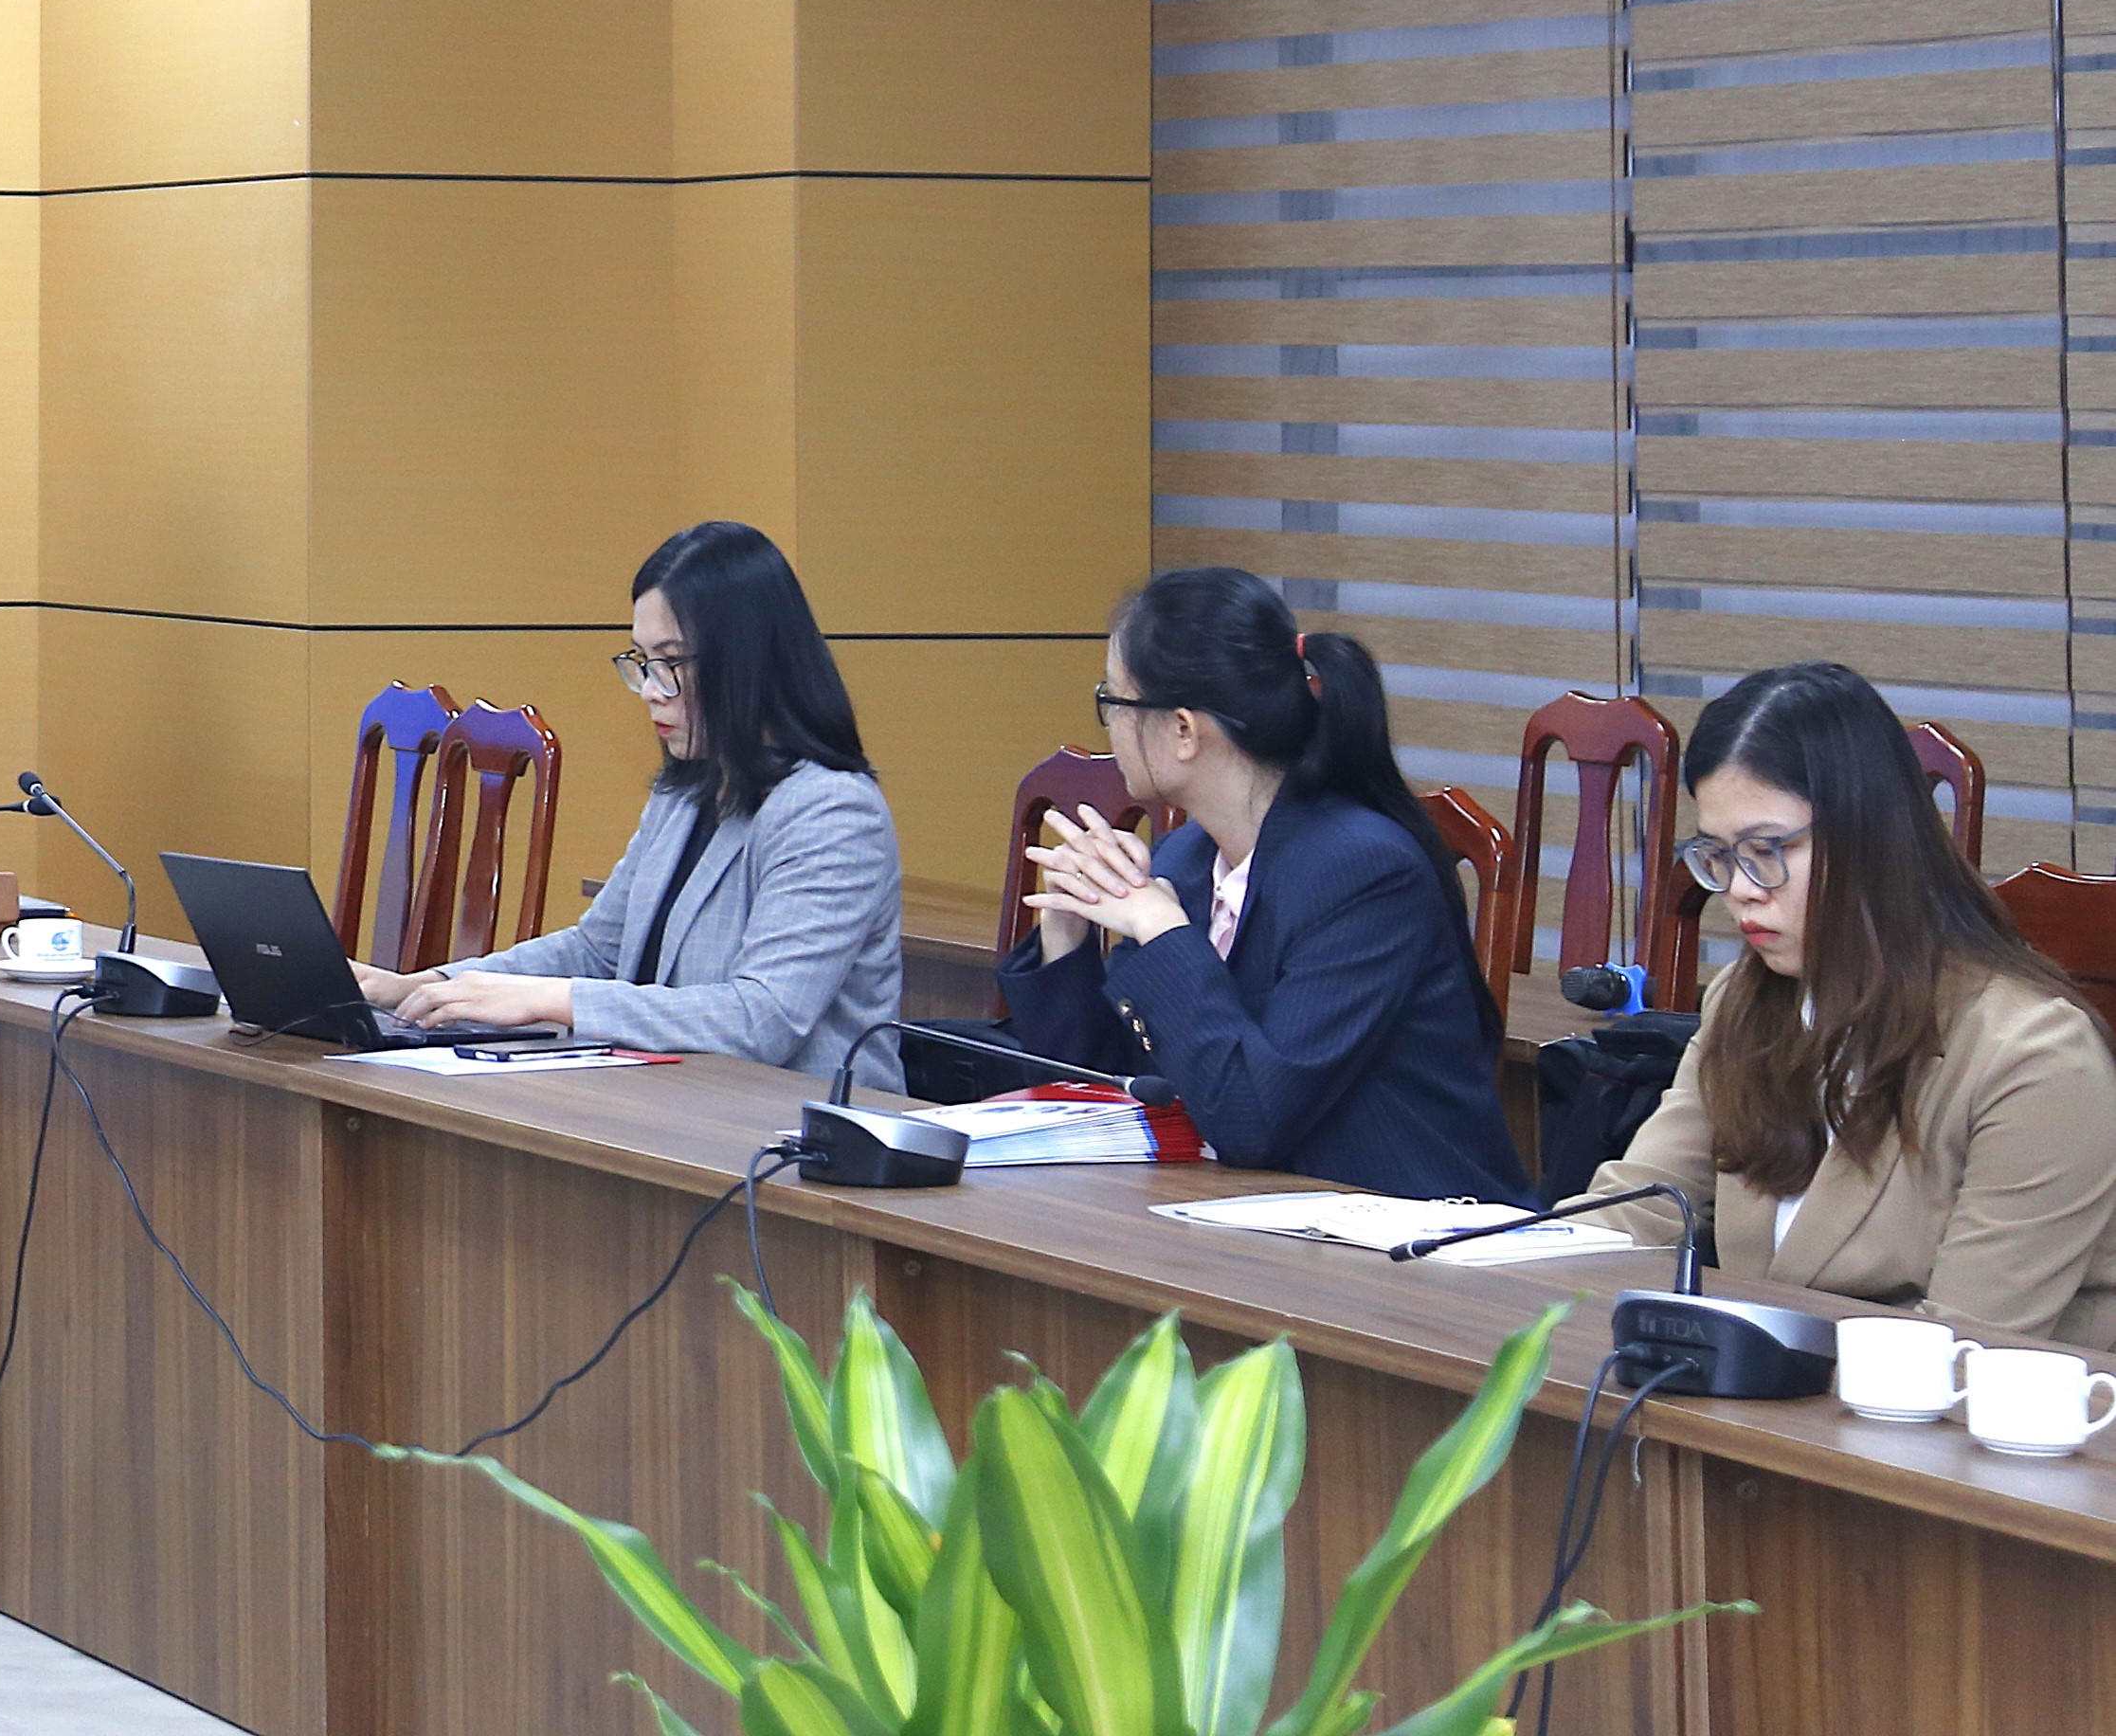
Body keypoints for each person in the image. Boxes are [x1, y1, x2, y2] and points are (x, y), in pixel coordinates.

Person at [1582, 662, 2116, 1346]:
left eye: (1766, 849)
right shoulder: (1746, 999)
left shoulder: (2035, 1058)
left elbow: (1961, 1347)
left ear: (1871, 839)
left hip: (1952, 1405)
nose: (1740, 889)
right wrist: (1493, 1253)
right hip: (1767, 1393)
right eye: (1718, 854)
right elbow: (1642, 1206)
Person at [1000, 567, 1525, 1203]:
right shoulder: (1185, 859)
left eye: (1113, 700)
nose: (1107, 723)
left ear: (1184, 730)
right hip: (1251, 1219)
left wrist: (1161, 930)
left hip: (1412, 1230)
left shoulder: (1364, 874)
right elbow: (1107, 1097)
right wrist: (1066, 931)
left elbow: (1252, 1118)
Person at [353, 522, 905, 1087]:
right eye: (642, 661)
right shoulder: (686, 790)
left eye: (671, 662)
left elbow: (761, 1019)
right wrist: (427, 986)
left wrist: (553, 1000)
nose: (650, 690)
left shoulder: (832, 811)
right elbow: (598, 951)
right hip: (680, 1100)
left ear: (746, 661)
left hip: (797, 1124)